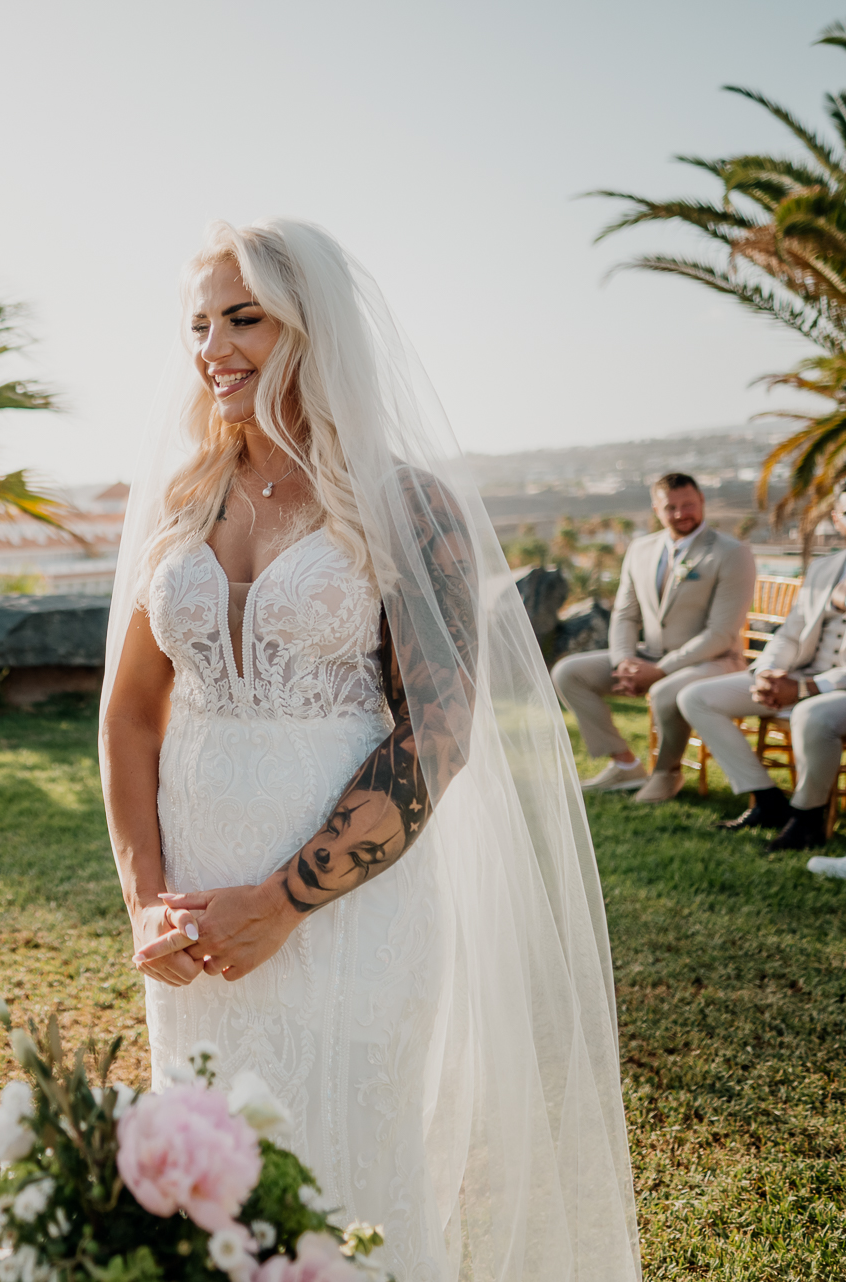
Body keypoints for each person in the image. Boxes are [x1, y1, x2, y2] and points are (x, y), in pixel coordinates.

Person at [100, 220, 638, 1279]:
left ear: (316, 327)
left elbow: (436, 736)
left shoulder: (406, 508)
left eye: (244, 316)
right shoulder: (181, 505)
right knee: (209, 1174)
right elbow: (129, 714)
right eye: (199, 323)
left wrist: (284, 901)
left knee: (347, 1168)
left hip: (352, 916)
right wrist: (146, 897)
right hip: (194, 910)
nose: (214, 345)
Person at [551, 474, 756, 802]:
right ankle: (625, 764)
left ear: (701, 500)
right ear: (656, 509)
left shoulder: (732, 553)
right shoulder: (640, 548)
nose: (680, 514)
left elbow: (721, 633)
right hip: (650, 656)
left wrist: (659, 670)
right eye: (670, 507)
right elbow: (625, 613)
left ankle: (666, 773)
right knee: (568, 673)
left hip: (714, 661)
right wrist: (624, 662)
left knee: (663, 691)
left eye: (687, 505)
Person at [677, 482, 846, 850]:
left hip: (835, 691)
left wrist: (805, 689)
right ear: (837, 519)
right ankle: (767, 800)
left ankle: (807, 818)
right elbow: (789, 633)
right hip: (800, 676)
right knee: (696, 697)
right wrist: (766, 672)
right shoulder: (823, 569)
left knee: (811, 715)